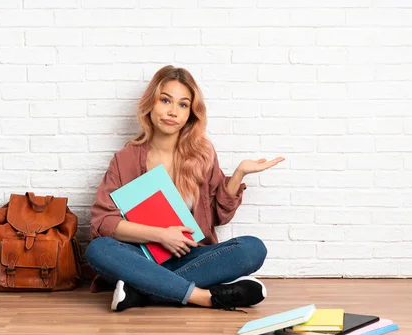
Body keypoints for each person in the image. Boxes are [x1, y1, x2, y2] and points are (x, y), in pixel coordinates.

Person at [85, 65, 284, 312]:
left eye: (183, 104)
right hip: (139, 257)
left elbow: (218, 216)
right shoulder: (125, 158)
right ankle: (204, 297)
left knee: (253, 249)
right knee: (99, 250)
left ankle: (140, 291)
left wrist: (239, 174)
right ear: (151, 103)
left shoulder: (202, 155)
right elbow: (103, 222)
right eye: (165, 100)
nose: (172, 112)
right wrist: (160, 235)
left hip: (191, 257)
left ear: (191, 113)